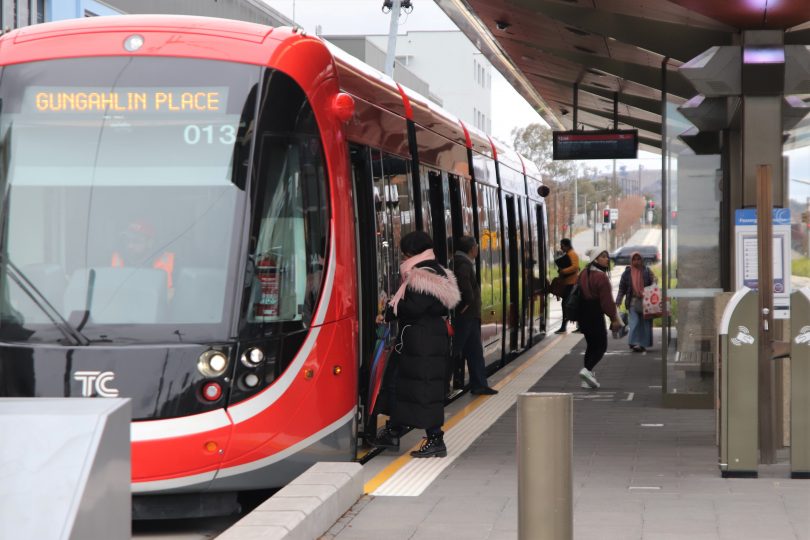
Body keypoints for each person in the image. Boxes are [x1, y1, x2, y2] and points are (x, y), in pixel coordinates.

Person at [373, 231, 461, 458]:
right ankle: (394, 429)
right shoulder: (435, 270)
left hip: (422, 342)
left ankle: (435, 439)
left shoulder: (422, 275)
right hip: (425, 340)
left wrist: (390, 311)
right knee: (403, 386)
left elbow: (414, 307)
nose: (403, 256)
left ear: (412, 251)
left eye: (405, 252)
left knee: (423, 389)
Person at [451, 236, 497, 396]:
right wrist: (466, 306)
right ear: (472, 249)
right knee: (455, 350)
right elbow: (466, 290)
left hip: (469, 316)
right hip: (466, 317)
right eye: (477, 246)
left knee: (474, 351)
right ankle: (441, 384)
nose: (478, 249)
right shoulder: (463, 264)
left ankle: (479, 384)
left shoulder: (460, 262)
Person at [576, 250, 624, 390]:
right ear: (595, 259)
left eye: (607, 256)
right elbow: (607, 302)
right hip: (595, 314)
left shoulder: (583, 273)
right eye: (603, 257)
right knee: (601, 346)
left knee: (591, 346)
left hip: (582, 314)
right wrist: (614, 318)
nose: (607, 259)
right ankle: (586, 371)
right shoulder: (601, 277)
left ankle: (587, 380)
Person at [111, 220, 175, 289]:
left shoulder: (172, 262)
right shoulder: (115, 257)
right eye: (127, 240)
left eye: (136, 241)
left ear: (150, 243)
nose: (130, 246)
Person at [615, 251, 656, 352]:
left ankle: (643, 344)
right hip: (633, 301)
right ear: (631, 260)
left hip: (646, 302)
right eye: (634, 259)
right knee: (635, 322)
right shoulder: (627, 273)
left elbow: (654, 283)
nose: (636, 261)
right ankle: (633, 342)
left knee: (645, 324)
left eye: (638, 259)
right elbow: (622, 288)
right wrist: (618, 300)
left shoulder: (646, 271)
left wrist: (654, 280)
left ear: (642, 260)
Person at [555, 238, 580, 334]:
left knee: (569, 304)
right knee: (568, 304)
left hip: (571, 283)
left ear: (567, 245)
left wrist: (563, 271)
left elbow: (575, 267)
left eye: (562, 246)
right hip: (568, 283)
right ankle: (567, 326)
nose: (561, 248)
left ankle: (565, 326)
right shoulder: (569, 254)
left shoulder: (572, 254)